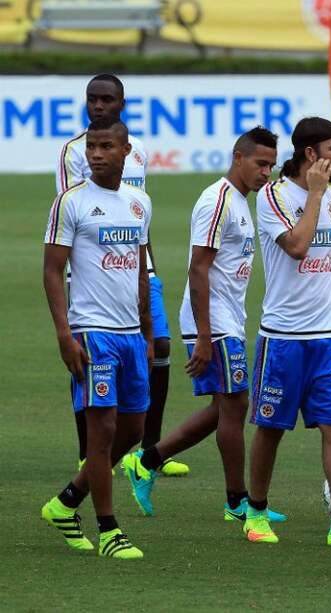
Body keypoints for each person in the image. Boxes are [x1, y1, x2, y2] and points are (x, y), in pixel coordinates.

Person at [122, 128, 285, 525]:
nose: (266, 172)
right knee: (235, 405)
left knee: (224, 407)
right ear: (238, 157)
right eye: (260, 163)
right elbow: (198, 268)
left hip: (226, 316)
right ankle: (236, 501)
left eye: (271, 165)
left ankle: (148, 461)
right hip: (211, 318)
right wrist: (205, 335)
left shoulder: (242, 202)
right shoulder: (216, 201)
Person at [55, 74, 185, 476]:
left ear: (122, 103)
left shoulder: (138, 150)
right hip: (93, 268)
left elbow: (137, 213)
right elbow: (71, 211)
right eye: (92, 99)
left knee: (159, 345)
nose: (97, 105)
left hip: (137, 267)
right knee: (87, 360)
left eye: (106, 99)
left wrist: (151, 266)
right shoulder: (75, 151)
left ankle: (148, 451)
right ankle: (88, 450)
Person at [41, 116, 153, 559]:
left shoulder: (139, 201)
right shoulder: (71, 202)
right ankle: (109, 530)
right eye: (92, 147)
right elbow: (52, 270)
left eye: (106, 146)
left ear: (126, 152)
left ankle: (66, 502)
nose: (96, 154)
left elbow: (140, 266)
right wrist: (64, 333)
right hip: (92, 333)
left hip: (129, 334)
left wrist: (146, 329)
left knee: (134, 429)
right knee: (102, 433)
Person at [243, 117, 331, 546]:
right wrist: (314, 193)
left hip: (329, 336)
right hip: (284, 336)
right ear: (310, 155)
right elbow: (297, 246)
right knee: (271, 428)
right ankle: (255, 510)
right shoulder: (273, 196)